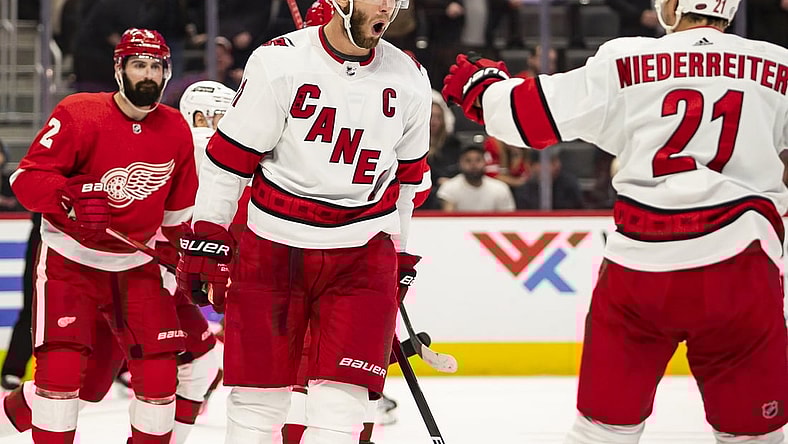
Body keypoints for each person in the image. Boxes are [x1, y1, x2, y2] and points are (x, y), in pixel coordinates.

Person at [443, 0, 788, 442]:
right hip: (742, 268)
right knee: (753, 435)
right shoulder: (776, 64)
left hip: (642, 270)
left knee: (602, 431)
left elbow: (529, 118)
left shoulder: (626, 59)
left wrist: (483, 88)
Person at [175, 0, 431, 441]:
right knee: (258, 402)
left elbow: (407, 183)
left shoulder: (410, 78)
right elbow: (229, 160)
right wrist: (209, 233)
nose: (388, 7)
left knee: (343, 408)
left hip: (362, 253)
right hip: (275, 248)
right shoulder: (279, 61)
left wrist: (401, 254)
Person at [9, 28, 197, 444]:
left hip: (137, 268)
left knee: (160, 377)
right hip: (70, 262)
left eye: (155, 66)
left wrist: (186, 258)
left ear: (166, 72)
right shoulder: (78, 112)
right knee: (59, 378)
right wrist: (69, 197)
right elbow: (25, 179)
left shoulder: (177, 129)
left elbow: (178, 215)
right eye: (138, 65)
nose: (147, 75)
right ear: (119, 70)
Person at [437, 145, 515, 212]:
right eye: (468, 161)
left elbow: (508, 220)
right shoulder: (449, 188)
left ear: (485, 162)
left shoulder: (500, 188)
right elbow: (449, 219)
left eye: (478, 160)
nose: (473, 165)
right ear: (460, 163)